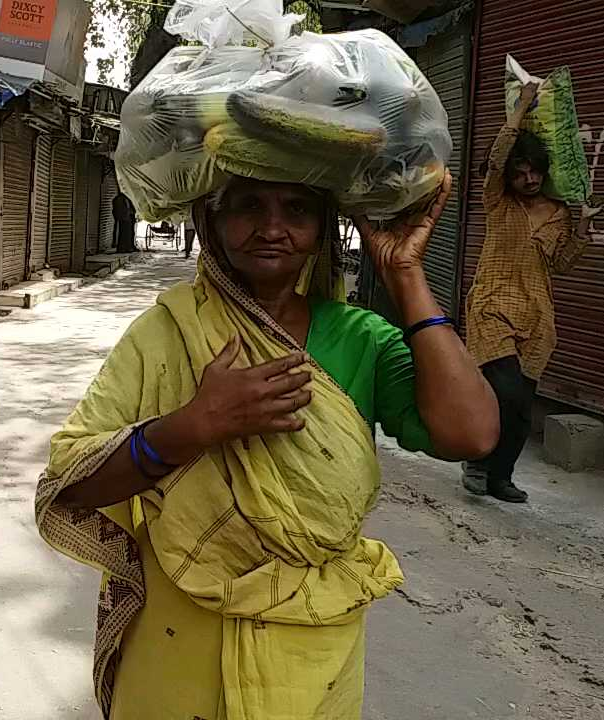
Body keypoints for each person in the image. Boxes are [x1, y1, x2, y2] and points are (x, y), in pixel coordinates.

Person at [35, 174, 499, 720]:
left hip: (313, 654)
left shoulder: (359, 338)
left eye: (297, 210)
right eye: (248, 206)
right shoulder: (165, 333)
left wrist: (404, 273)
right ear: (211, 221)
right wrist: (193, 427)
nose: (272, 228)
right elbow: (71, 484)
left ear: (322, 228)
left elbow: (471, 434)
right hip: (178, 640)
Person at [463, 82, 602, 503]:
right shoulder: (498, 202)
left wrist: (581, 225)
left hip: (537, 318)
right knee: (502, 391)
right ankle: (477, 464)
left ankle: (501, 478)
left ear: (544, 172)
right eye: (520, 172)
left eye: (534, 172)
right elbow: (495, 160)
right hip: (492, 307)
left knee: (522, 408)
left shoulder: (558, 214)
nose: (527, 179)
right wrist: (522, 107)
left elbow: (560, 265)